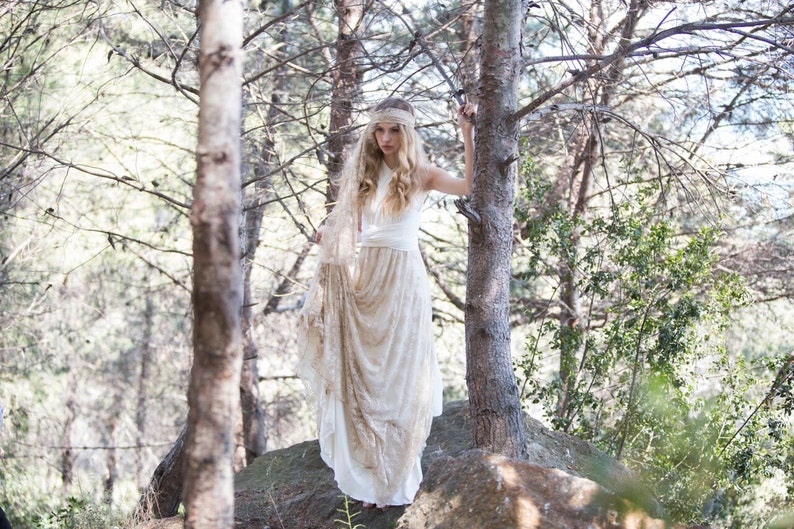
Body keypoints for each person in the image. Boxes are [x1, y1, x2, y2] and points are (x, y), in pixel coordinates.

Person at [297, 97, 475, 508]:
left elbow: (469, 186)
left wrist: (467, 132)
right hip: (368, 278)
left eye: (394, 130)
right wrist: (329, 234)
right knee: (367, 376)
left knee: (399, 377)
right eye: (380, 130)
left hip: (404, 280)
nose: (386, 138)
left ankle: (396, 480)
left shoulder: (423, 175)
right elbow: (353, 227)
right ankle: (370, 476)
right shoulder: (366, 174)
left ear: (407, 133)